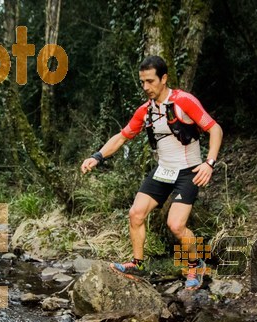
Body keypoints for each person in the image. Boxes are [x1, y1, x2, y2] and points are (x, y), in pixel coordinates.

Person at [80, 55, 223, 290]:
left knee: (176, 225)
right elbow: (122, 137)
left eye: (150, 81)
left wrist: (209, 163)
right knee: (136, 214)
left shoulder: (184, 101)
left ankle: (195, 264)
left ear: (164, 78)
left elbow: (215, 128)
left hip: (188, 171)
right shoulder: (145, 111)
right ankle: (137, 264)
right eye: (142, 82)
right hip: (164, 170)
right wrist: (97, 157)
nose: (146, 87)